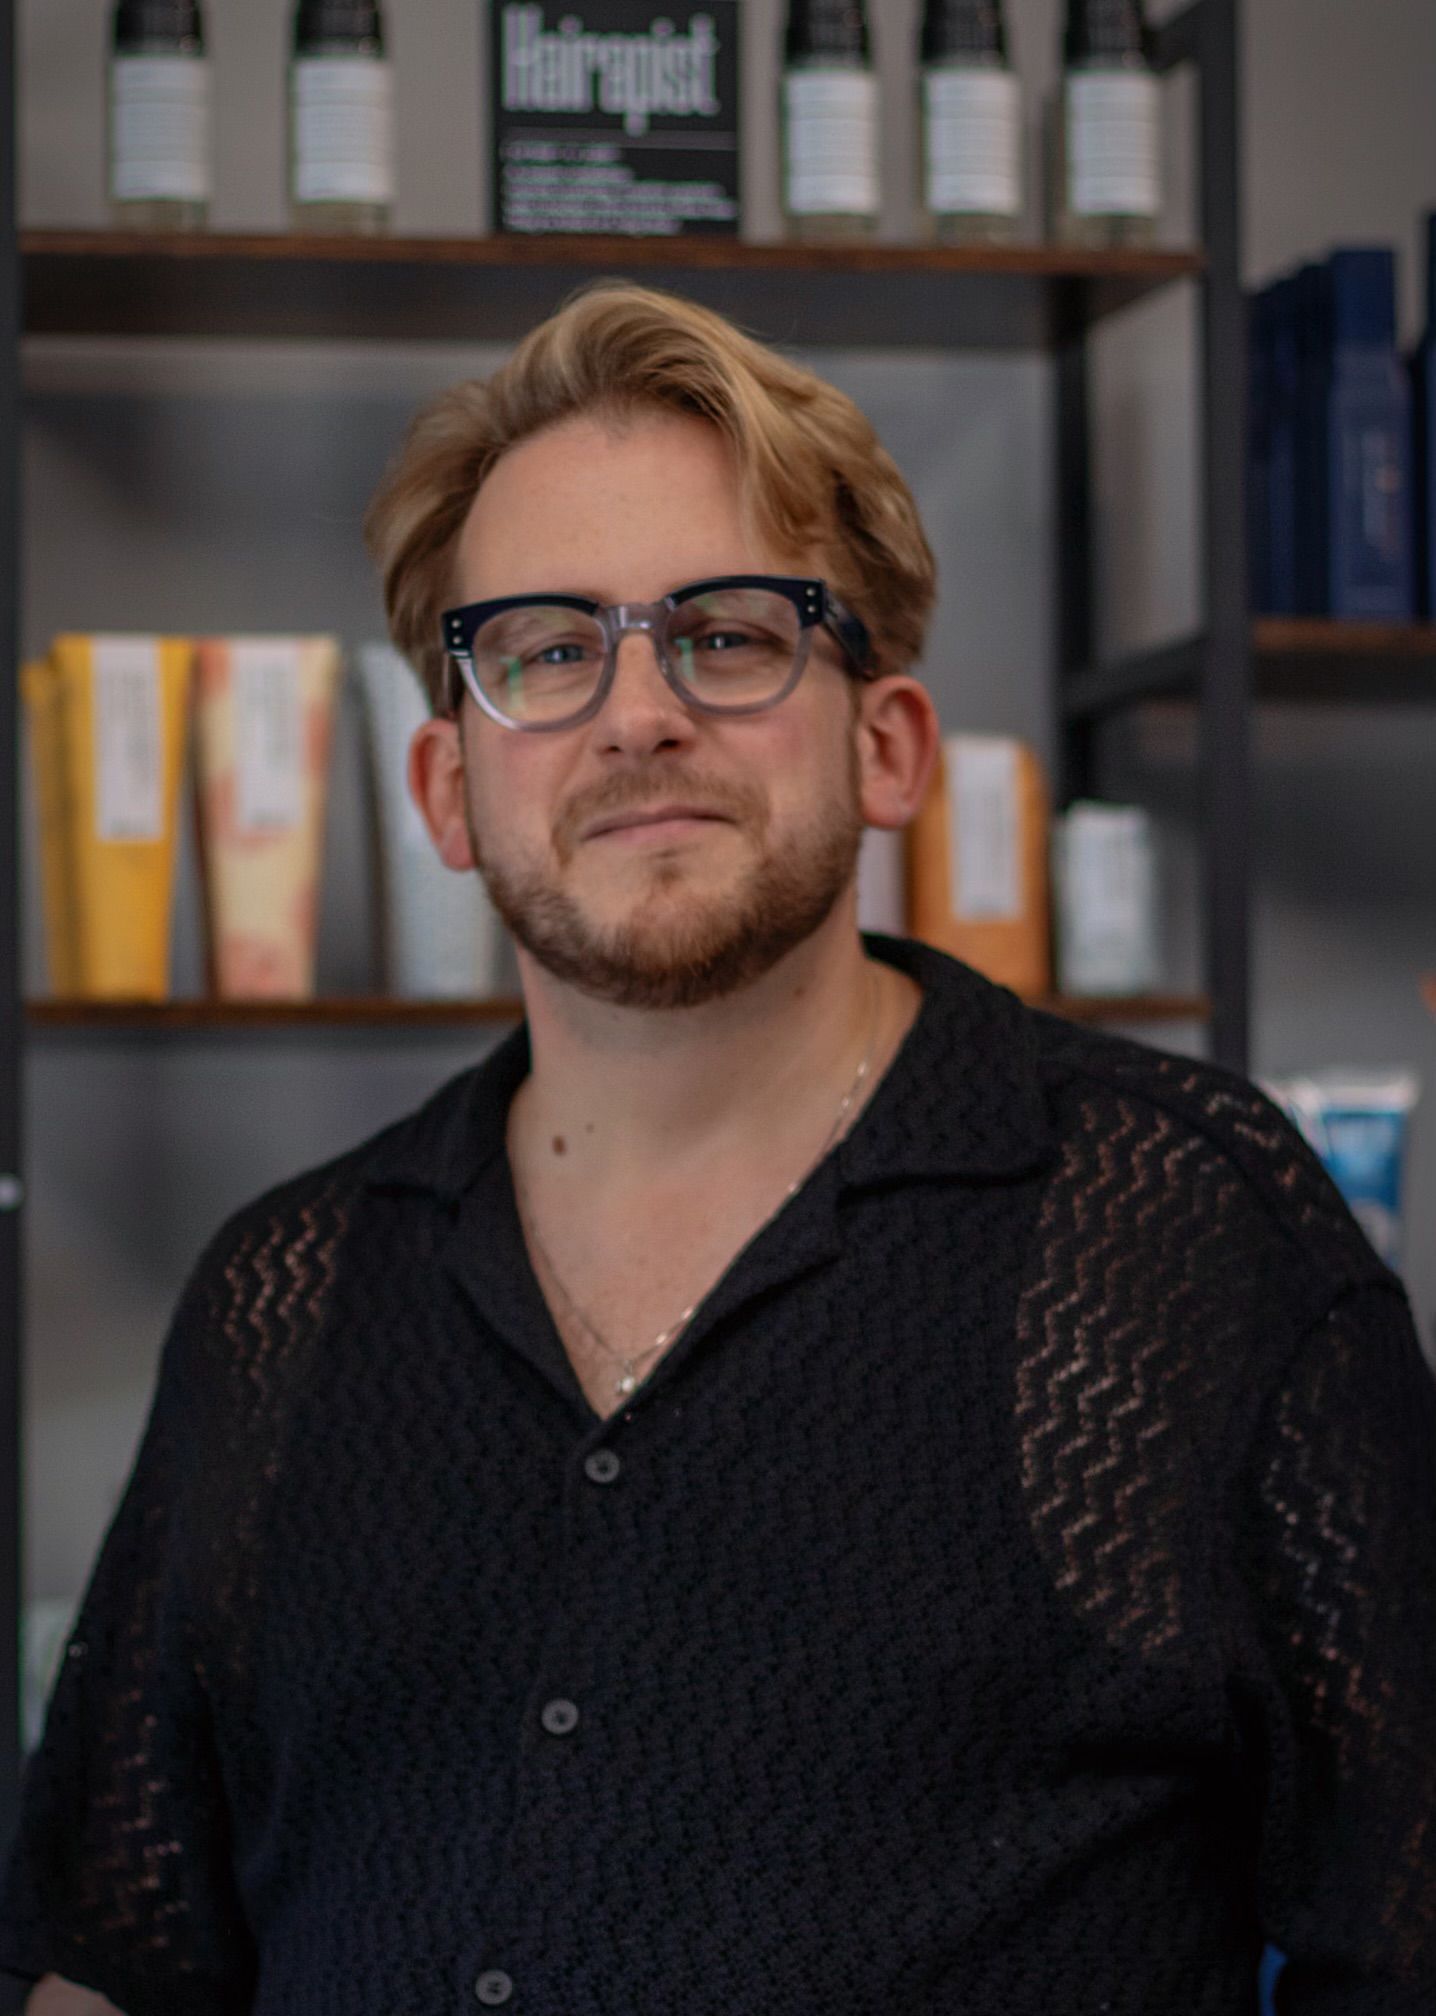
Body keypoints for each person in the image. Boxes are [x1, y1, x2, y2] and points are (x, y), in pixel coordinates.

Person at [3, 281, 1433, 2016]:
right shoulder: (279, 1301)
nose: (638, 714)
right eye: (545, 650)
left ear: (886, 742)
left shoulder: (1192, 1240)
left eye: (732, 633)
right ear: (449, 791)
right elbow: (115, 1959)